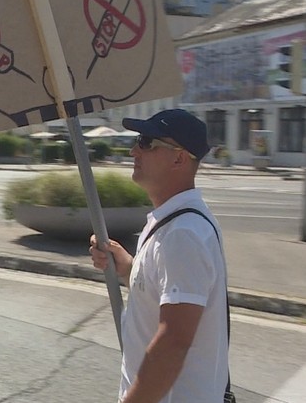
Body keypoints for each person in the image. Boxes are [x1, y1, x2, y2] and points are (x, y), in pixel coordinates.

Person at [89, 109, 230, 403]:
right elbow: (162, 293)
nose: (133, 150)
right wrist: (127, 267)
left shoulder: (182, 234)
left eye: (146, 142)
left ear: (179, 158)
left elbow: (173, 343)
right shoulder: (171, 222)